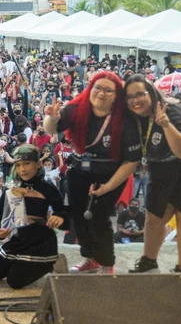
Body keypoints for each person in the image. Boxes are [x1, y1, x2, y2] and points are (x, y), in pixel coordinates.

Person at [99, 75, 181, 280]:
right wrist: (107, 185)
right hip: (163, 164)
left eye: (140, 94)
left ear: (151, 94)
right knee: (155, 214)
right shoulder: (130, 118)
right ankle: (149, 260)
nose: (135, 100)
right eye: (129, 96)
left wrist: (165, 125)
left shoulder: (171, 112)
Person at [44, 71, 141, 275]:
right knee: (79, 216)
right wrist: (51, 117)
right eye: (97, 88)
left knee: (99, 216)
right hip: (80, 171)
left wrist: (108, 187)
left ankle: (107, 262)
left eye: (108, 90)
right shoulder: (76, 109)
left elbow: (131, 162)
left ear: (116, 95)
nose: (101, 93)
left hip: (111, 175)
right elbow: (51, 129)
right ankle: (91, 258)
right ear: (90, 89)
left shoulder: (126, 121)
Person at [0, 145, 68, 289]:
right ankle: (24, 263)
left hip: (42, 242)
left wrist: (59, 218)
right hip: (20, 238)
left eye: (27, 163)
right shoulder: (12, 186)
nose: (22, 169)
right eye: (18, 165)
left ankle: (52, 262)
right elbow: (0, 213)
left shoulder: (48, 187)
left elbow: (62, 212)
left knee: (14, 282)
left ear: (38, 164)